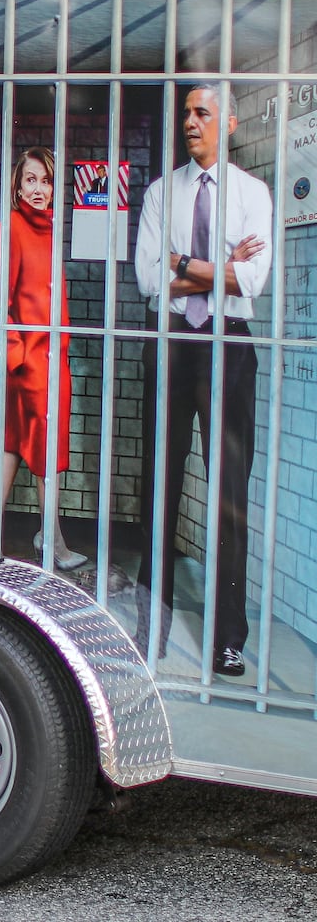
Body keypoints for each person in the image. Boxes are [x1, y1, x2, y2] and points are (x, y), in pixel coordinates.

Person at [133, 83, 271, 677]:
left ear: (231, 122)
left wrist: (184, 266)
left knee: (229, 499)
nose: (191, 121)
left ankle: (227, 637)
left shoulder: (253, 193)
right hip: (172, 344)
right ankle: (150, 627)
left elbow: (254, 281)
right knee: (159, 487)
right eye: (186, 113)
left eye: (203, 112)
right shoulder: (162, 192)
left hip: (229, 350)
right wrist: (221, 268)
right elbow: (145, 279)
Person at [0, 147, 86, 571]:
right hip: (29, 366)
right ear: (18, 185)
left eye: (47, 180)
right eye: (31, 180)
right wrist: (17, 363)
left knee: (16, 450)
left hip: (51, 360)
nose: (39, 189)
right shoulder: (10, 230)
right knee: (45, 451)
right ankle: (52, 542)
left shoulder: (49, 230)